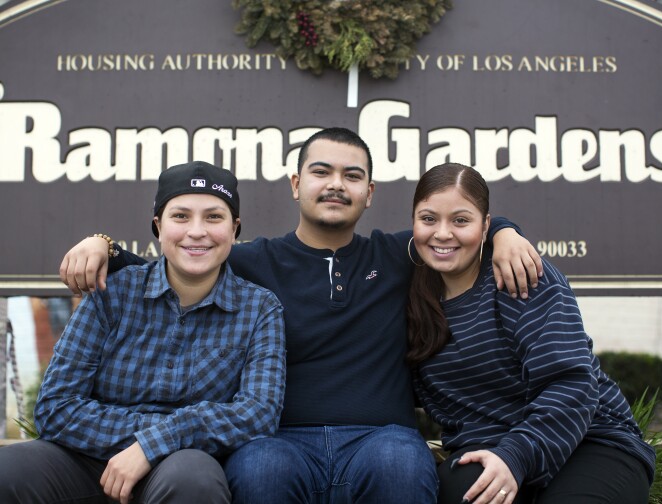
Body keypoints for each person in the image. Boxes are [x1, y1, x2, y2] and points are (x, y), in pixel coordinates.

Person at [59, 128, 543, 503]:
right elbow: (175, 263)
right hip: (279, 439)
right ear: (296, 184)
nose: (336, 184)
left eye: (352, 176)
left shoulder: (399, 254)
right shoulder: (249, 261)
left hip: (381, 436)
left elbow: (455, 223)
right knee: (260, 469)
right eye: (321, 172)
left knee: (401, 461)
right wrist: (100, 243)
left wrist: (505, 232)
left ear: (369, 192)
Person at [0, 161, 286, 504]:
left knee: (193, 477)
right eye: (180, 216)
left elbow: (257, 414)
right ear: (158, 226)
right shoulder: (112, 293)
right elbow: (55, 408)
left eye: (214, 217)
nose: (197, 231)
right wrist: (142, 442)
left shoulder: (259, 309)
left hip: (184, 463)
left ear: (234, 228)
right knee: (10, 469)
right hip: (88, 458)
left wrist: (157, 444)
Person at [406, 163, 655, 504]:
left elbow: (572, 385)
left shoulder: (522, 276)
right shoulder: (408, 292)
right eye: (429, 219)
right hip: (483, 452)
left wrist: (516, 455)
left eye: (461, 220)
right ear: (414, 223)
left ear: (485, 226)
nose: (443, 233)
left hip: (587, 440)